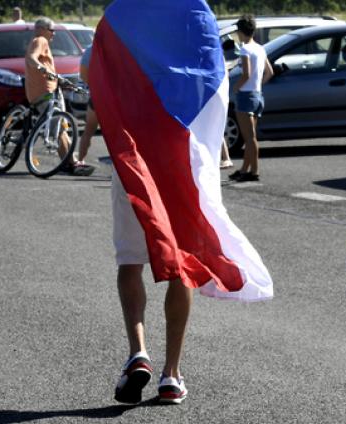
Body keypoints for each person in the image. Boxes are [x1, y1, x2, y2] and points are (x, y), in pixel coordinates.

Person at [89, 0, 273, 406]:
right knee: (182, 262)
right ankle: (172, 373)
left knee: (129, 261)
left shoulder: (120, 14)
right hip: (180, 160)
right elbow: (214, 81)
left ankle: (137, 351)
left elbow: (98, 77)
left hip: (134, 158)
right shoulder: (197, 14)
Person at [24, 17, 93, 176]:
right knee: (60, 125)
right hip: (46, 92)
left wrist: (58, 80)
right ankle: (73, 162)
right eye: (52, 30)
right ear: (42, 29)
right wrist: (41, 68)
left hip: (41, 91)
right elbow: (32, 58)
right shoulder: (40, 40)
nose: (54, 34)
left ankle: (70, 162)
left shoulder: (36, 40)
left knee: (60, 126)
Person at [228, 15, 272, 182]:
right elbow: (269, 72)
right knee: (249, 136)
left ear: (241, 32)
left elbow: (245, 73)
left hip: (246, 96)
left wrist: (236, 87)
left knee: (249, 138)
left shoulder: (245, 49)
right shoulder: (260, 48)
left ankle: (254, 171)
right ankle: (245, 169)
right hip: (257, 95)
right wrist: (257, 85)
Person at [76, 46, 97, 171]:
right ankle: (120, 168)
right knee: (117, 134)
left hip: (97, 95)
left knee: (88, 130)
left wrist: (94, 85)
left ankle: (80, 160)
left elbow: (83, 74)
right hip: (113, 97)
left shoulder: (91, 50)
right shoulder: (118, 46)